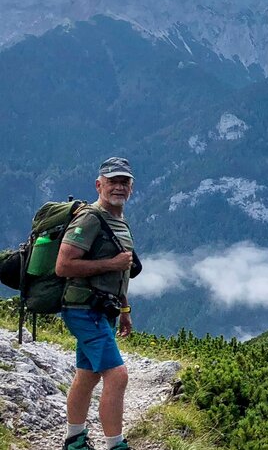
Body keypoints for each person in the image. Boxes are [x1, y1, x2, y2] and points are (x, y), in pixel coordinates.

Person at [55, 157, 137, 450]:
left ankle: (74, 441)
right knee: (117, 375)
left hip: (103, 308)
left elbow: (121, 271)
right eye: (112, 181)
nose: (118, 186)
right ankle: (116, 445)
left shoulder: (119, 220)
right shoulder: (90, 218)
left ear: (131, 187)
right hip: (83, 308)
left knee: (88, 375)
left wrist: (124, 311)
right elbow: (63, 266)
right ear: (98, 184)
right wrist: (110, 262)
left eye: (124, 181)